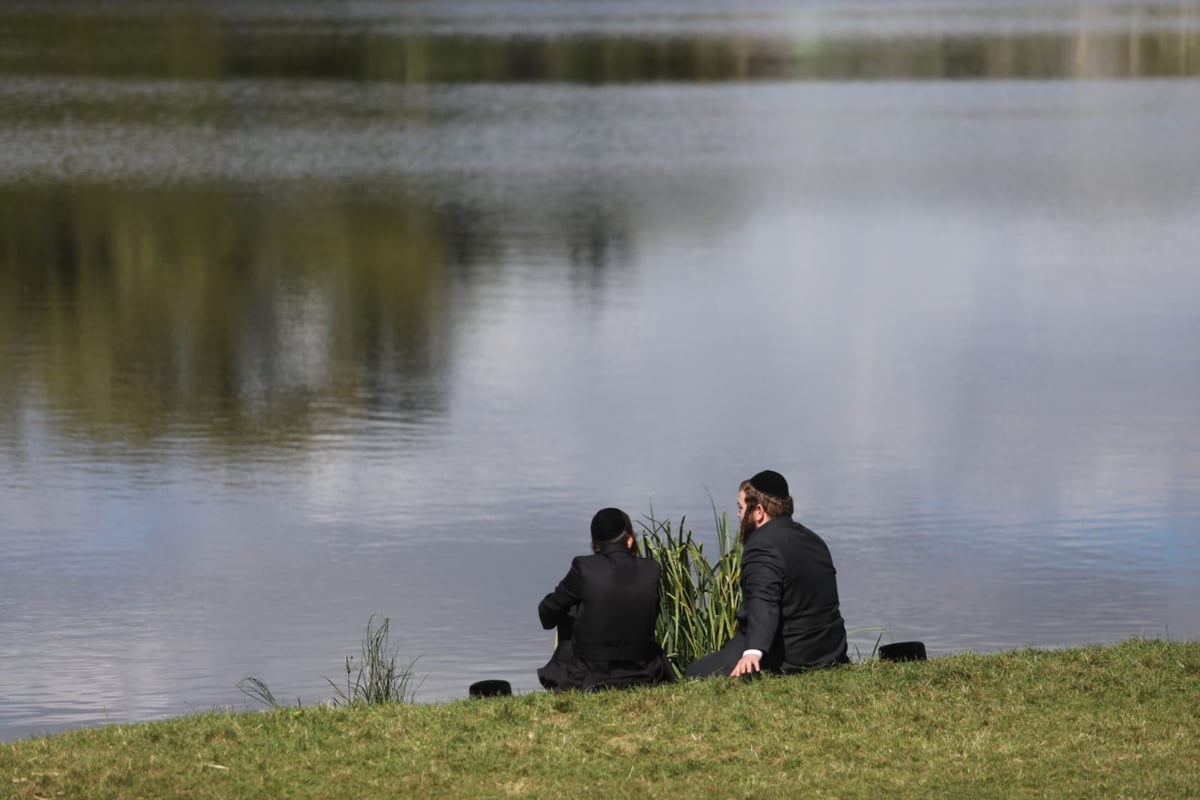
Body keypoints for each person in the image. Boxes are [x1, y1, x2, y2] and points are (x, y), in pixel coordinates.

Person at [685, 470, 849, 678]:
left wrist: (753, 651)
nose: (739, 515)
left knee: (694, 674)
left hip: (791, 656)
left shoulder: (762, 546)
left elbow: (763, 599)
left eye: (741, 508)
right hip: (829, 651)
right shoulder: (814, 540)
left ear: (759, 511)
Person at [537, 507, 676, 692]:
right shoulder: (652, 570)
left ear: (595, 544)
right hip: (645, 672)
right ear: (629, 540)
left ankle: (565, 670)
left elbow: (547, 615)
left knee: (570, 606)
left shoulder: (584, 568)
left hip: (590, 674)